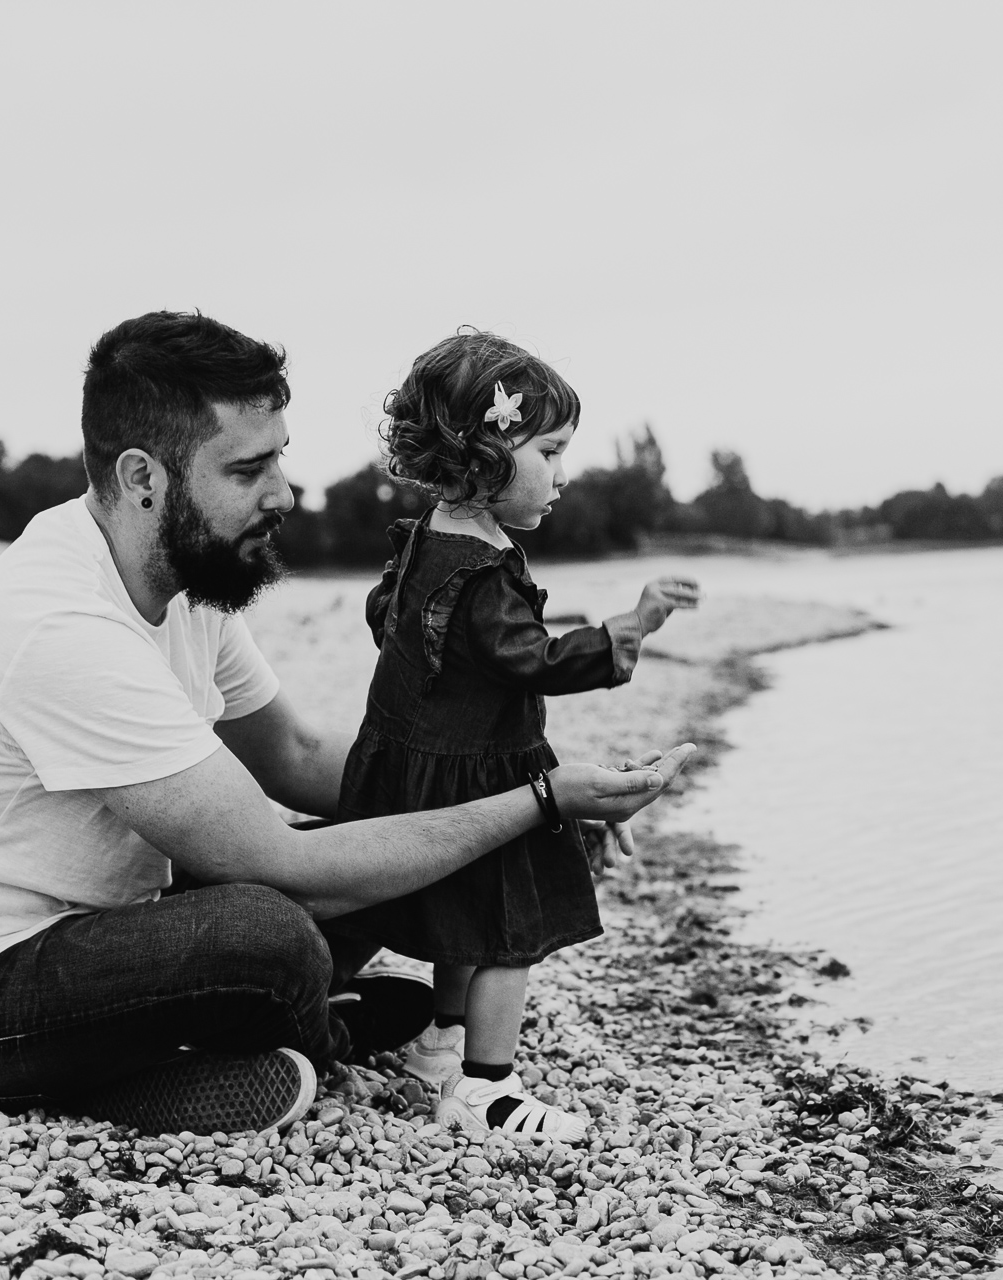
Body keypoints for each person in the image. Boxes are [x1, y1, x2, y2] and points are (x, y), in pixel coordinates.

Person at [0, 311, 694, 1137]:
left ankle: (245, 1036)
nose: (283, 493)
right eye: (246, 471)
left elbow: (299, 754)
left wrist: (524, 801)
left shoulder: (184, 578)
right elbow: (282, 869)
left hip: (100, 927)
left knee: (391, 861)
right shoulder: (59, 626)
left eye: (280, 458)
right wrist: (538, 802)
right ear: (141, 478)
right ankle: (168, 1066)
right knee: (270, 934)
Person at [332, 330, 700, 1143]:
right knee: (508, 933)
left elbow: (383, 616)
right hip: (479, 778)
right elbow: (530, 659)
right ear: (490, 451)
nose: (563, 474)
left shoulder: (432, 532)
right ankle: (488, 1091)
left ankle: (441, 1044)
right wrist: (626, 628)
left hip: (422, 760)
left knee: (465, 923)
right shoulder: (484, 565)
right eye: (552, 450)